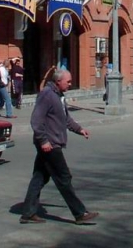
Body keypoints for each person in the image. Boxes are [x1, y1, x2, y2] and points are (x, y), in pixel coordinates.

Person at [20, 68, 98, 225]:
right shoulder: (47, 95)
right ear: (58, 81)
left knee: (39, 177)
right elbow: (36, 121)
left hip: (53, 142)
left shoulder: (59, 96)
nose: (70, 84)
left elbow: (65, 118)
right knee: (64, 178)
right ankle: (80, 213)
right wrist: (43, 141)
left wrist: (79, 129)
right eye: (68, 82)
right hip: (50, 144)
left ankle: (28, 213)